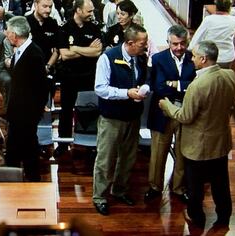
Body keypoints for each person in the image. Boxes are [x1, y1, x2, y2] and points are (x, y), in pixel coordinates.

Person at [159, 40, 235, 228]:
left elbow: (185, 116)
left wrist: (167, 106)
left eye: (194, 56)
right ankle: (224, 217)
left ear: (203, 59)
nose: (191, 59)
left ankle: (196, 217)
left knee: (195, 186)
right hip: (221, 142)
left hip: (198, 146)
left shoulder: (198, 85)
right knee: (221, 184)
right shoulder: (230, 75)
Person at [92, 24, 149, 216]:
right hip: (112, 119)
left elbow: (144, 77)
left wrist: (144, 88)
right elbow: (100, 88)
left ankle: (120, 190)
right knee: (106, 159)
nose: (146, 46)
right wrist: (127, 93)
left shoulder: (140, 57)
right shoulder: (107, 58)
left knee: (128, 158)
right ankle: (100, 196)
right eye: (142, 43)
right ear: (130, 43)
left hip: (132, 117)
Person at [144, 25, 195, 203]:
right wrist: (183, 86)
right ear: (168, 42)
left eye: (182, 43)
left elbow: (196, 85)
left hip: (186, 112)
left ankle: (179, 187)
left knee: (183, 152)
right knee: (159, 152)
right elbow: (158, 86)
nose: (179, 48)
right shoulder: (157, 59)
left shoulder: (193, 58)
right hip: (162, 111)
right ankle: (155, 186)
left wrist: (175, 84)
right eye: (175, 44)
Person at [55, 0, 102, 156]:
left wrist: (75, 48)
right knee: (66, 110)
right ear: (78, 10)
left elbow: (97, 52)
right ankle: (63, 143)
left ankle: (89, 144)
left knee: (89, 109)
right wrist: (87, 50)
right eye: (89, 11)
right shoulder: (64, 28)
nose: (92, 14)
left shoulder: (94, 28)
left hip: (89, 76)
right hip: (69, 76)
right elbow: (64, 55)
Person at [4, 16, 49, 181]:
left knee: (29, 149)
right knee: (14, 148)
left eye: (8, 32)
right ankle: (11, 177)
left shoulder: (34, 54)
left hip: (27, 114)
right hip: (17, 111)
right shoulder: (21, 51)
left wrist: (35, 113)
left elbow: (42, 87)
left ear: (15, 35)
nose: (6, 35)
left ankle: (33, 182)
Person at [188, 0, 235, 69]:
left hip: (209, 58)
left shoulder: (209, 20)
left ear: (216, 6)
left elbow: (195, 41)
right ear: (230, 7)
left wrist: (190, 50)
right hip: (227, 58)